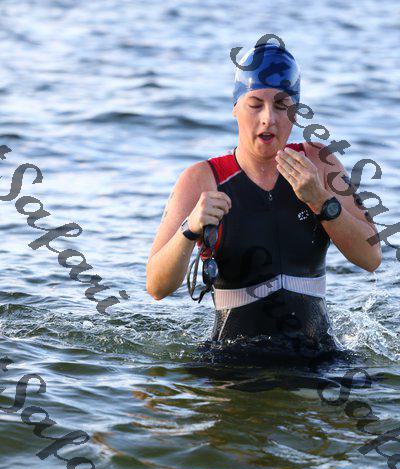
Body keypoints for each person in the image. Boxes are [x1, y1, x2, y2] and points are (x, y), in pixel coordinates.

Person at [146, 41, 381, 358]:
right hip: (232, 360)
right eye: (255, 104)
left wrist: (322, 201)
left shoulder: (320, 163)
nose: (268, 118)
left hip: (318, 356)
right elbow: (157, 287)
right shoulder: (203, 179)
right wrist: (190, 229)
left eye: (282, 105)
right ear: (235, 107)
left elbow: (371, 258)